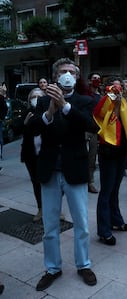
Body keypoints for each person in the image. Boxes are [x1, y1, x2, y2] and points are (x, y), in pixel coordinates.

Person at [28, 58, 97, 291]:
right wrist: (50, 110)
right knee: (50, 225)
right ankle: (52, 268)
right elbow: (33, 128)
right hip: (49, 169)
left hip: (74, 169)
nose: (67, 75)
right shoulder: (44, 100)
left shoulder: (84, 101)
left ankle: (83, 264)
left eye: (71, 72)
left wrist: (66, 107)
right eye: (63, 72)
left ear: (76, 77)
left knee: (82, 224)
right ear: (55, 76)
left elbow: (91, 125)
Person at [93, 77, 127, 245]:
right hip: (108, 152)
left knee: (115, 188)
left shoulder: (125, 102)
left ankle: (115, 220)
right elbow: (107, 122)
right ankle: (104, 230)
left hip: (120, 152)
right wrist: (116, 105)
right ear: (108, 88)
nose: (120, 89)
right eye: (116, 86)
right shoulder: (104, 102)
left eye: (122, 86)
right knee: (107, 191)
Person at [21, 88, 45, 222]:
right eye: (33, 97)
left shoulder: (48, 112)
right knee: (36, 183)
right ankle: (41, 209)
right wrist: (25, 124)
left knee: (51, 183)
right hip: (31, 154)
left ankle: (54, 209)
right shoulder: (27, 112)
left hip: (46, 153)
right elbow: (18, 129)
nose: (36, 99)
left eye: (38, 96)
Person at [86, 72, 102, 193]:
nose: (97, 80)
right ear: (90, 81)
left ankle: (90, 182)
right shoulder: (86, 94)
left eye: (98, 79)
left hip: (95, 132)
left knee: (92, 159)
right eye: (94, 78)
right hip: (85, 130)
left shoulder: (100, 97)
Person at [0, 83, 7, 160]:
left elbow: (5, 108)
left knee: (0, 139)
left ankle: (0, 154)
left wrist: (1, 118)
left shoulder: (1, 98)